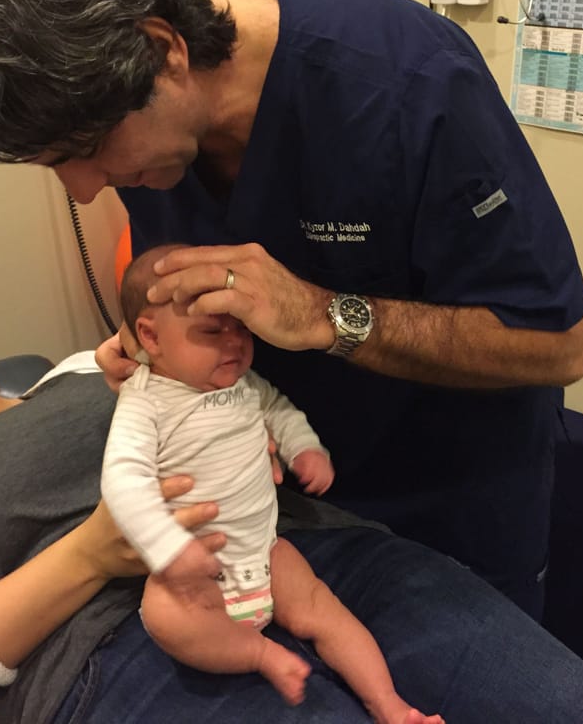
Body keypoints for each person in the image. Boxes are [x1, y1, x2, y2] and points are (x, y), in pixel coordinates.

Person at [0, 0, 583, 621]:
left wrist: (323, 316)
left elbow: (563, 344)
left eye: (84, 151)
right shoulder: (149, 134)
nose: (83, 190)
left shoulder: (406, 83)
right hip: (280, 506)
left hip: (452, 498)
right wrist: (153, 348)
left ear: (163, 52)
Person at [0, 329, 583, 724]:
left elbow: (247, 392)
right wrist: (90, 554)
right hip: (116, 647)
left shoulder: (80, 368)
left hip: (302, 553)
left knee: (575, 708)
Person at [102, 245, 442, 723]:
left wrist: (305, 449)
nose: (233, 344)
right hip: (194, 572)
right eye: (212, 331)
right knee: (165, 617)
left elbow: (279, 409)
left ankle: (390, 705)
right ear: (151, 337)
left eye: (241, 328)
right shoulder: (146, 402)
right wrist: (168, 549)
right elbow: (123, 478)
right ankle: (259, 654)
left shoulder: (244, 384)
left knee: (323, 608)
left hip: (266, 550)